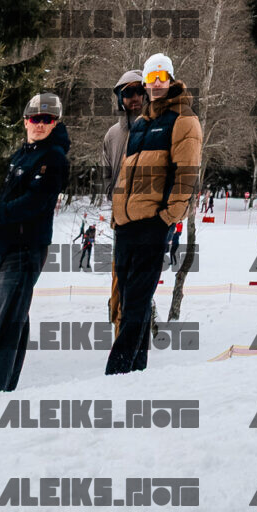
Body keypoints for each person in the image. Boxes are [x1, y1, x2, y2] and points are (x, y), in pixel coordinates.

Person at [106, 52, 202, 374]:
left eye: (162, 76)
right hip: (126, 226)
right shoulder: (142, 123)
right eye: (151, 77)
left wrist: (168, 218)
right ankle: (135, 371)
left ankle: (116, 372)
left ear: (171, 79)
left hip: (152, 225)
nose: (156, 83)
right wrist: (117, 214)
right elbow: (125, 175)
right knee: (129, 301)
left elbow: (186, 174)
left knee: (135, 301)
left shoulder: (183, 119)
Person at [0, 94, 71, 395]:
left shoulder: (54, 158)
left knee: (4, 324)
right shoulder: (22, 155)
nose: (40, 125)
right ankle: (3, 390)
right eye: (35, 118)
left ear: (55, 123)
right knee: (7, 320)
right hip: (8, 247)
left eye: (47, 120)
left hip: (27, 248)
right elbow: (7, 198)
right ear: (25, 121)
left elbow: (34, 203)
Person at [101, 71, 148, 331]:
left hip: (148, 221)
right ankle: (119, 338)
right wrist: (117, 199)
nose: (135, 97)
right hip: (120, 221)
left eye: (140, 91)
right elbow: (106, 175)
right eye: (128, 92)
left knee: (139, 290)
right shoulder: (112, 135)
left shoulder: (157, 127)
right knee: (118, 287)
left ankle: (135, 344)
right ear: (120, 97)